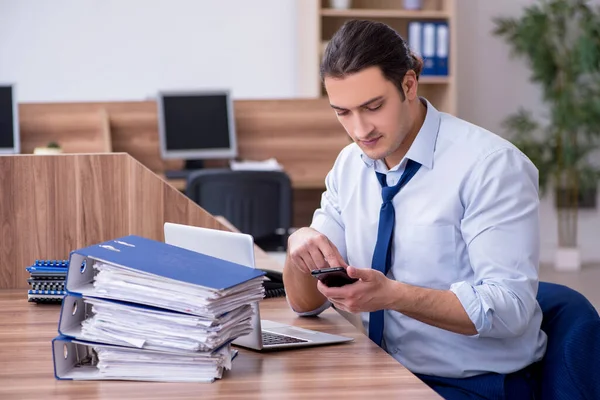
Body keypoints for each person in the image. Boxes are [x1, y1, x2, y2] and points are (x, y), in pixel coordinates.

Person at [282, 19, 547, 399]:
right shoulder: (349, 164)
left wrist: (393, 295)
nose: (360, 130)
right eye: (342, 112)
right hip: (378, 374)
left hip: (474, 385)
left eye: (373, 107)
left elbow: (509, 309)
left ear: (408, 84)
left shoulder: (491, 166)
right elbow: (308, 304)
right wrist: (299, 248)